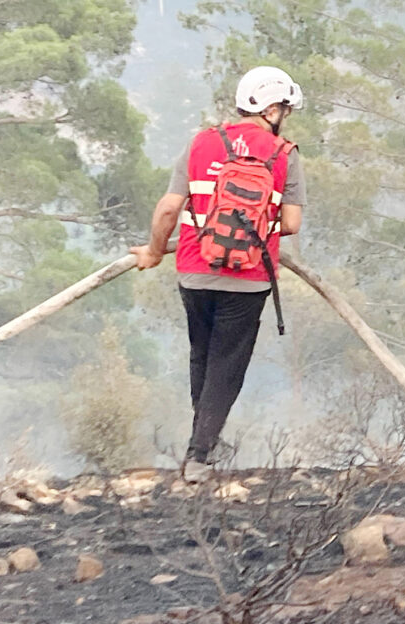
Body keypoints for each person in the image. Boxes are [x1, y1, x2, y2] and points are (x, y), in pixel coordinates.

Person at [130, 66, 306, 477]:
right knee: (227, 364)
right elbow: (292, 224)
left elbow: (170, 208)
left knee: (203, 355)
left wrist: (155, 252)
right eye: (285, 109)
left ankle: (201, 444)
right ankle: (200, 454)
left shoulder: (202, 142)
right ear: (272, 108)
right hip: (249, 278)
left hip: (194, 269)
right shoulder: (284, 154)